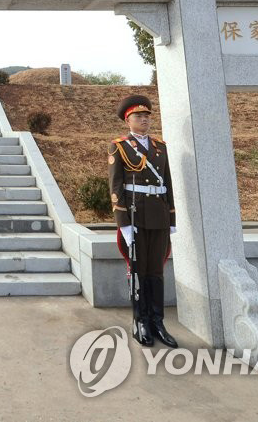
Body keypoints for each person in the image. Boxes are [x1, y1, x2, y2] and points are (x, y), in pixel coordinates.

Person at [108, 94, 178, 348]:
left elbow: (168, 183)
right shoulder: (120, 146)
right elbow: (116, 186)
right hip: (136, 215)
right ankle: (140, 322)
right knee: (138, 271)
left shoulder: (160, 146)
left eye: (147, 116)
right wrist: (123, 222)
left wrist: (172, 217)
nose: (144, 120)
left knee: (156, 271)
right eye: (139, 116)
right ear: (128, 120)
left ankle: (158, 321)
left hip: (158, 215)